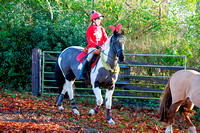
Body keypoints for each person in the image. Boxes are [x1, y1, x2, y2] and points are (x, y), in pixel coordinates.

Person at [78, 10, 108, 80]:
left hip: (101, 48)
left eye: (100, 20)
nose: (99, 21)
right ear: (94, 20)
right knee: (90, 57)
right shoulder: (89, 28)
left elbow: (106, 38)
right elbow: (89, 40)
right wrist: (95, 45)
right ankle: (82, 73)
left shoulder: (101, 29)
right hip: (92, 47)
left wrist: (106, 45)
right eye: (98, 20)